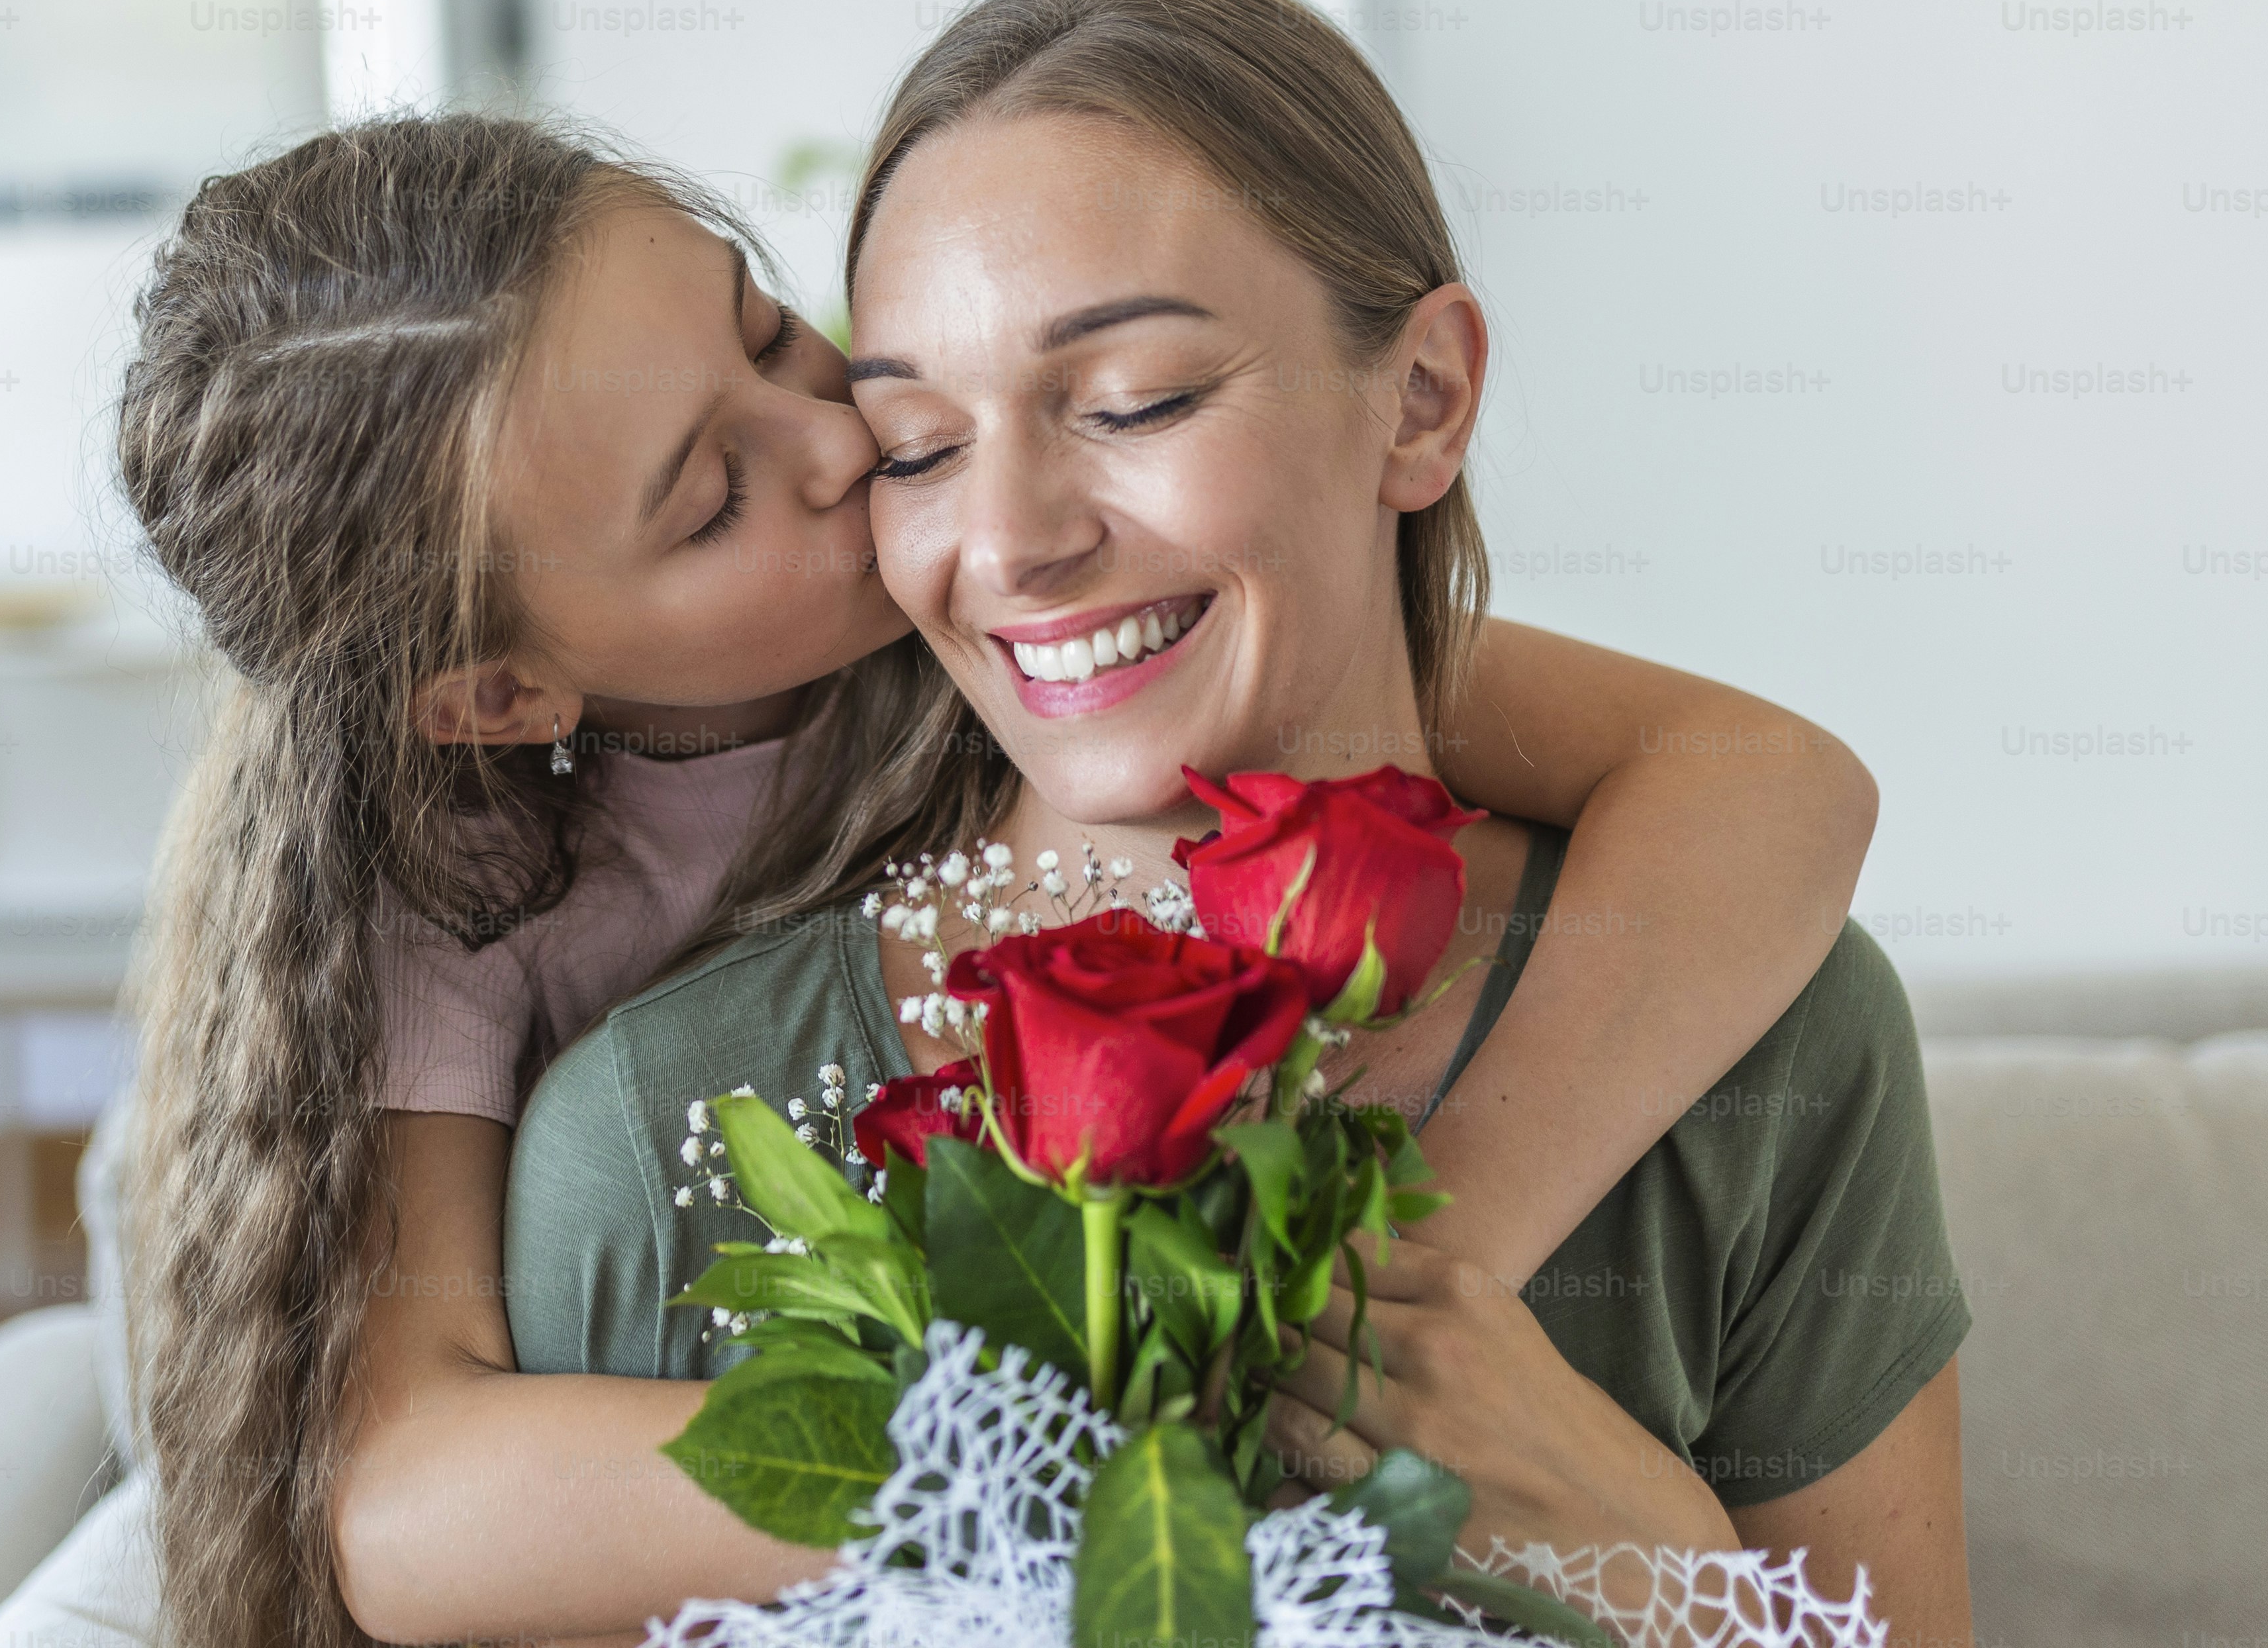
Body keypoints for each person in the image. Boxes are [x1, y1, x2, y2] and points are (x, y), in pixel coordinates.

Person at [119, 95, 1881, 1648]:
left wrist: (1416, 1282)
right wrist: (1072, 1445)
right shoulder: (472, 884)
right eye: (714, 498)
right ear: (500, 695)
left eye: (774, 336)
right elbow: (403, 1506)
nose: (845, 449)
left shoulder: (1055, 634)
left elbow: (1764, 782)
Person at [503, 0, 1975, 1642]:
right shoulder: (663, 1131)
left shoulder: (1771, 1034)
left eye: (1133, 403)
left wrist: (1653, 1560)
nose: (1013, 540)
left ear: (1421, 400)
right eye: (917, 445)